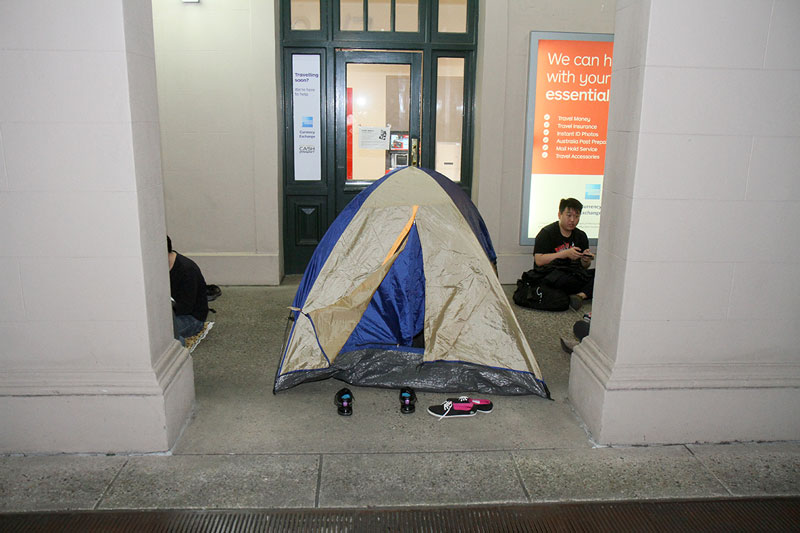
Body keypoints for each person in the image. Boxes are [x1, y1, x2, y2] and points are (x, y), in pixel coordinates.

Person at [533, 198, 595, 310]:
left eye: (576, 217)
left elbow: (585, 266)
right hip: (551, 274)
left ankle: (580, 296)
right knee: (562, 280)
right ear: (559, 215)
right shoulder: (546, 233)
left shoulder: (581, 235)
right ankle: (583, 292)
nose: (572, 220)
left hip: (573, 273)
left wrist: (585, 260)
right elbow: (539, 260)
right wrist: (565, 253)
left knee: (600, 275)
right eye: (569, 215)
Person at [168, 236, 209, 346]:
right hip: (170, 313)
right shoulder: (158, 268)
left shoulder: (187, 270)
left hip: (191, 318)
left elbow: (186, 307)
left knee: (159, 332)